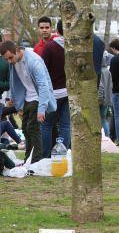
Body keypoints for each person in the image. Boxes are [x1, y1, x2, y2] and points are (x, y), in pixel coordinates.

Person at [0, 40, 57, 164]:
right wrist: (13, 98)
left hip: (38, 97)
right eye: (6, 59)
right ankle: (28, 158)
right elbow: (14, 80)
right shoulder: (13, 62)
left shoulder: (34, 61)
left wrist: (42, 108)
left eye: (10, 58)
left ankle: (36, 160)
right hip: (27, 99)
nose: (9, 61)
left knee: (33, 128)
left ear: (18, 51)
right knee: (25, 129)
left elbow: (43, 85)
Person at [39, 20, 70, 152]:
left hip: (52, 93)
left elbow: (42, 71)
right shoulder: (73, 49)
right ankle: (62, 154)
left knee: (46, 125)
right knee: (65, 126)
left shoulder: (50, 47)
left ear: (56, 31)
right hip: (68, 92)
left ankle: (46, 156)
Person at [98, 51, 113, 137]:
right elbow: (110, 86)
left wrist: (100, 98)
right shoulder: (108, 71)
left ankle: (102, 139)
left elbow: (100, 87)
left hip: (100, 99)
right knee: (104, 119)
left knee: (98, 120)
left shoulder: (98, 71)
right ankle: (107, 138)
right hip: (107, 99)